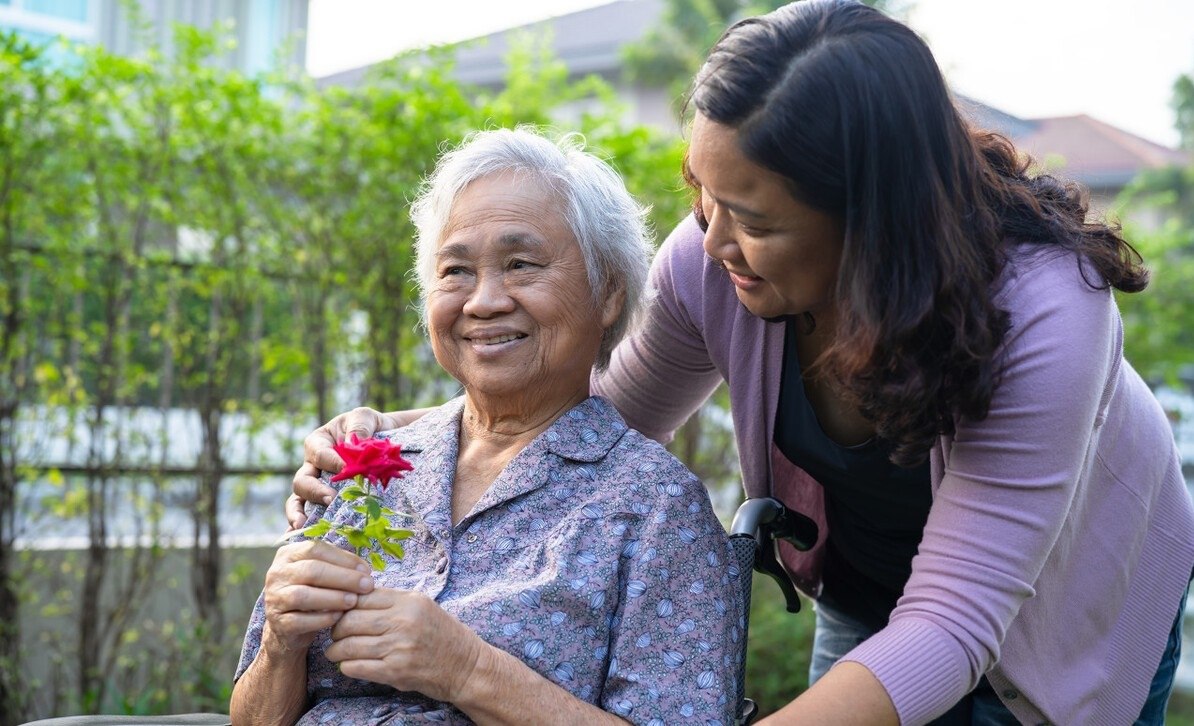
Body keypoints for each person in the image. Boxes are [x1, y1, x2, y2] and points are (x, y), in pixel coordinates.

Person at [289, 2, 1194, 724]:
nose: (712, 239)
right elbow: (595, 415)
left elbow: (954, 625)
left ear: (867, 221)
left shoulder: (1045, 312)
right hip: (873, 588)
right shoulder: (712, 260)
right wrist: (394, 446)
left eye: (753, 219)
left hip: (1067, 611)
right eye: (701, 195)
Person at [233, 127, 745, 725]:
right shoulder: (361, 469)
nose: (483, 301)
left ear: (607, 294)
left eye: (521, 264)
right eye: (455, 271)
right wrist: (281, 645)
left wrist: (466, 670)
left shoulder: (657, 508)